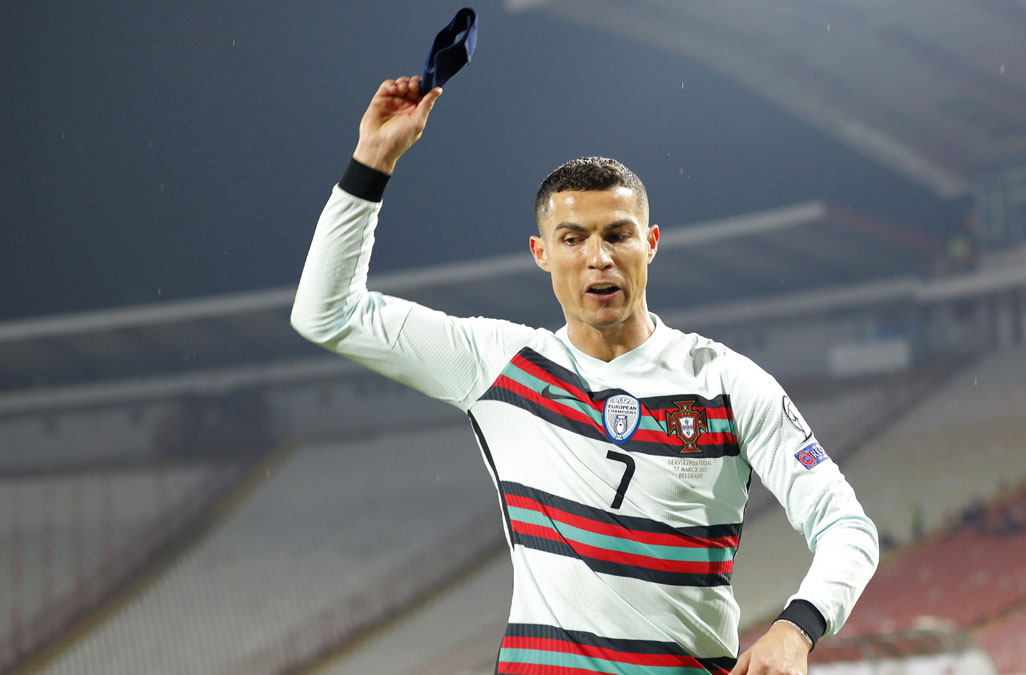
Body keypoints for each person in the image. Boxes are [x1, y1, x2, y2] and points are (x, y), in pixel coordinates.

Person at [291, 75, 879, 675]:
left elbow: (846, 526)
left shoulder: (725, 383)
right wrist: (373, 159)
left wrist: (796, 628)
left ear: (649, 244)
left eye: (617, 234)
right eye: (573, 238)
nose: (598, 257)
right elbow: (325, 312)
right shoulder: (500, 363)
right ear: (541, 252)